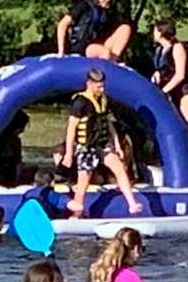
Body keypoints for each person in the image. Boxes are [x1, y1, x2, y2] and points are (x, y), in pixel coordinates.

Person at [61, 67, 144, 218]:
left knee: (120, 169)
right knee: (83, 182)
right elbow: (71, 129)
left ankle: (132, 203)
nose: (102, 89)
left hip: (103, 144)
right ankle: (76, 213)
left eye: (103, 85)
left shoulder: (104, 99)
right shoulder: (80, 102)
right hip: (87, 147)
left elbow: (108, 123)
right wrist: (68, 153)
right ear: (89, 83)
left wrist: (117, 144)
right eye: (99, 86)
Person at [149, 17, 188, 135]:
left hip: (184, 93)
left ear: (162, 31)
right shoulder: (159, 50)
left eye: (155, 30)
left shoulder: (177, 47)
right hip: (170, 95)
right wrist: (157, 74)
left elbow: (180, 75)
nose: (153, 33)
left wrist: (163, 91)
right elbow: (164, 69)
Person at [59, 0, 133, 62]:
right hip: (84, 48)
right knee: (105, 53)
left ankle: (114, 60)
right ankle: (107, 60)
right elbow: (63, 24)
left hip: (100, 45)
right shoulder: (83, 6)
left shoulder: (109, 13)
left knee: (125, 28)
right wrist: (61, 51)